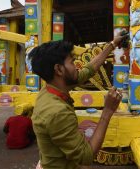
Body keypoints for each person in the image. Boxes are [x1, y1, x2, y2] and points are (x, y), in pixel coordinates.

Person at [30, 33, 126, 169]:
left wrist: (112, 45)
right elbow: (86, 156)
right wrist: (108, 110)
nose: (76, 67)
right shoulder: (57, 112)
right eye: (72, 62)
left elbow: (89, 70)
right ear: (58, 69)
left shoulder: (51, 88)